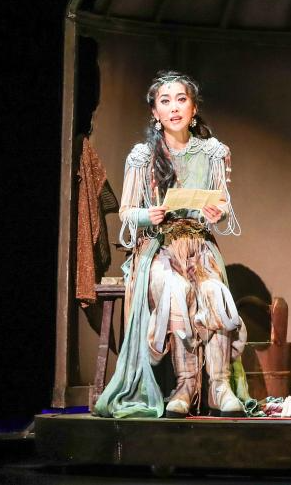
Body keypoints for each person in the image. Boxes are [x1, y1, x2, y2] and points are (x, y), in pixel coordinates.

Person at [94, 71, 249, 419]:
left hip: (199, 247)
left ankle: (220, 386)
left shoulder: (212, 152)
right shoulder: (143, 156)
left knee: (213, 292)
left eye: (181, 99)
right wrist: (148, 215)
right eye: (165, 101)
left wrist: (216, 212)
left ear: (193, 109)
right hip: (158, 248)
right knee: (176, 289)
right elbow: (126, 212)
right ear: (155, 112)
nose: (174, 107)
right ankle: (185, 384)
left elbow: (223, 206)